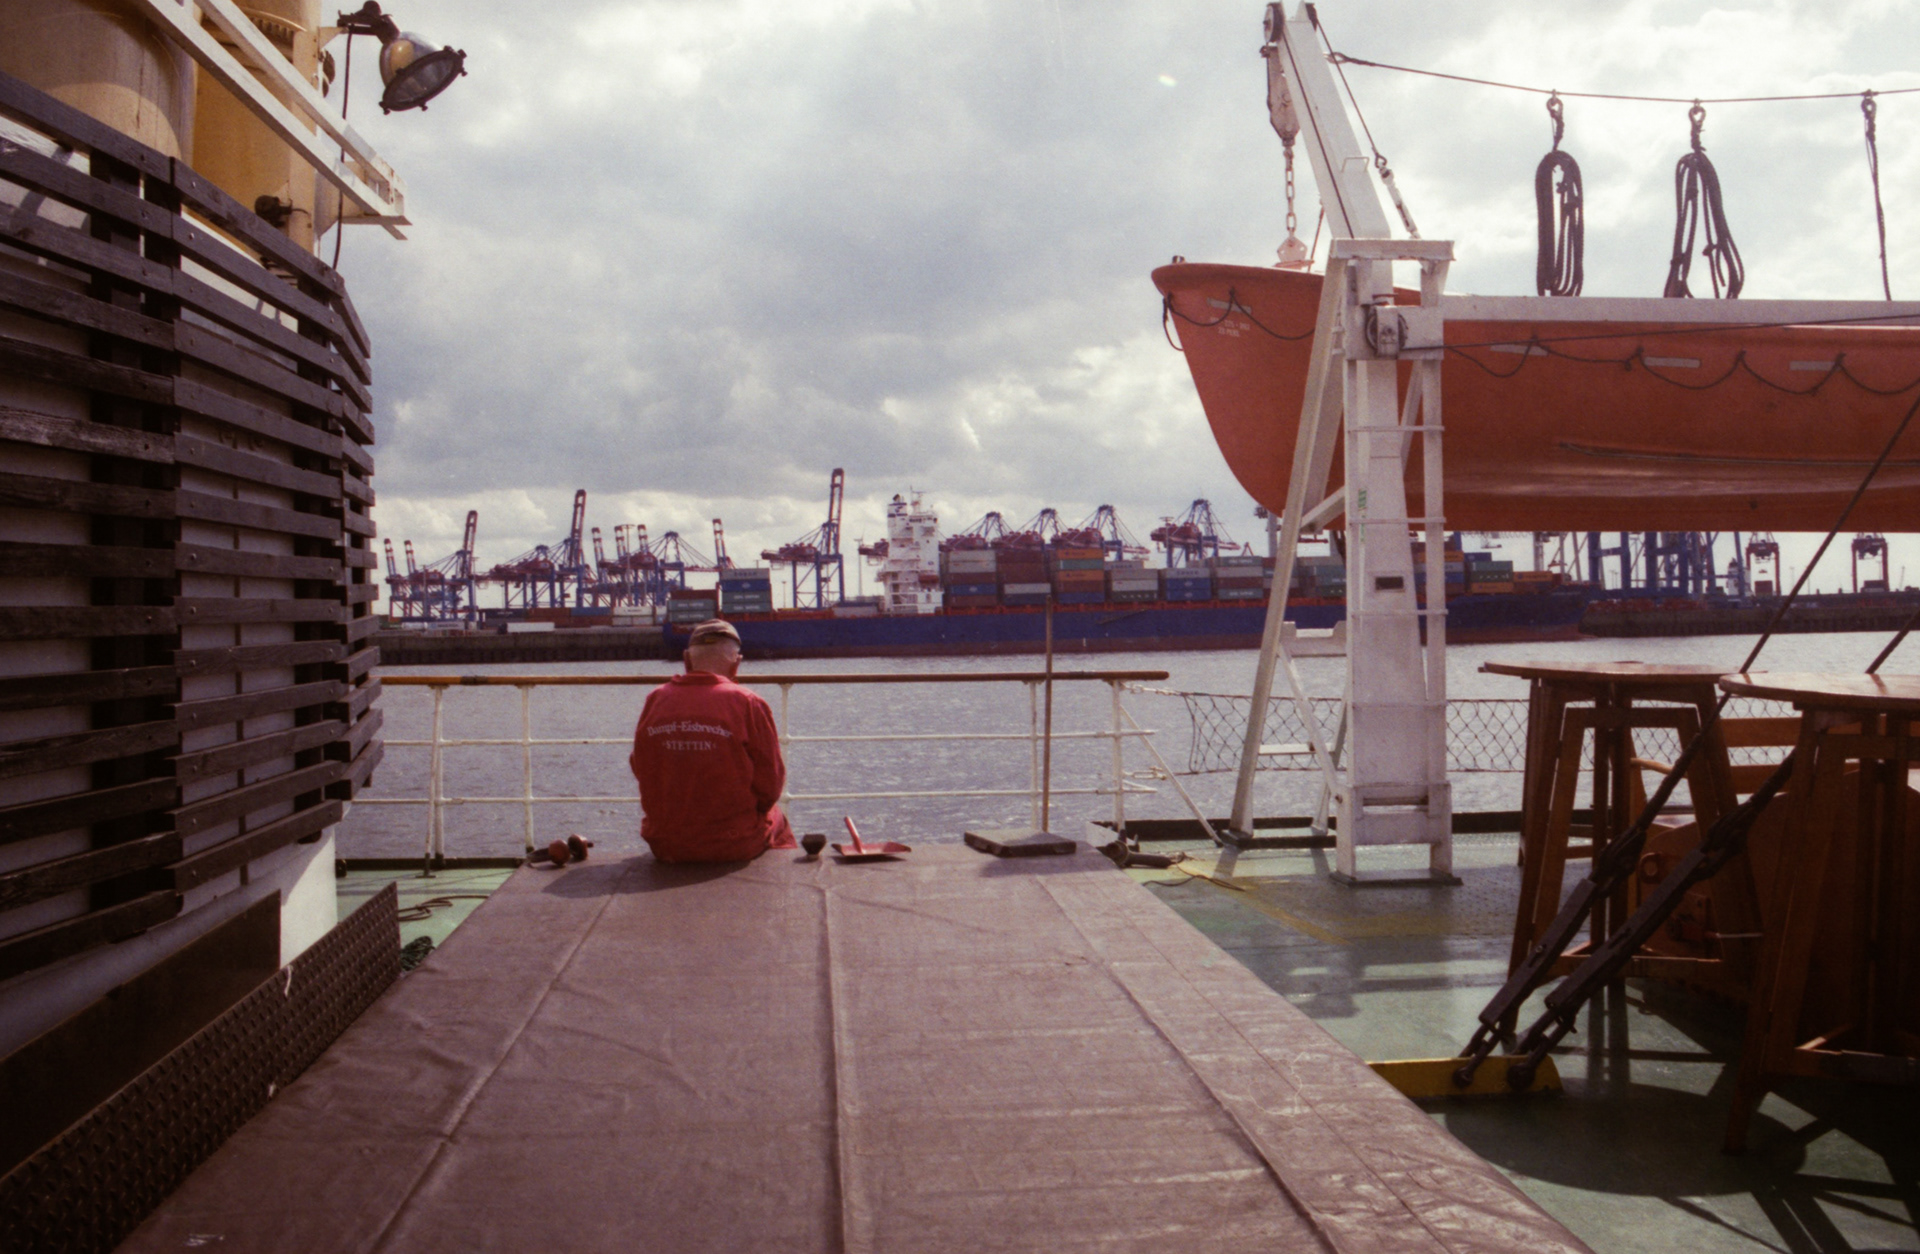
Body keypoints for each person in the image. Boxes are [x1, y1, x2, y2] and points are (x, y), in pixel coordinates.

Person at [629, 619, 796, 862]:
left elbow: (640, 766)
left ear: (687, 660)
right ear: (736, 664)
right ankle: (778, 886)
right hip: (732, 843)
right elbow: (770, 784)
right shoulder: (748, 703)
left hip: (665, 844)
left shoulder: (655, 698)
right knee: (776, 817)